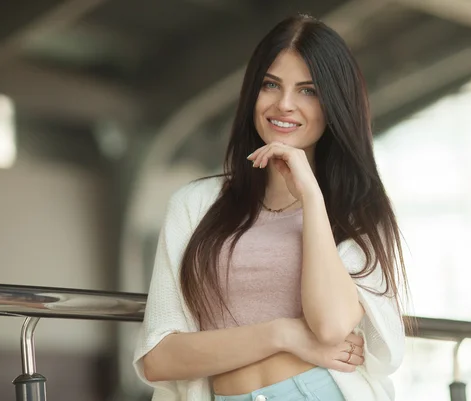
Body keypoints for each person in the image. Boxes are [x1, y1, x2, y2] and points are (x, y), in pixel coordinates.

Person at [133, 14, 409, 401]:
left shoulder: (358, 211)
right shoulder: (195, 205)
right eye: (271, 85)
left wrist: (311, 197)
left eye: (308, 91)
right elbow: (158, 359)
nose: (285, 104)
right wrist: (284, 334)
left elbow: (330, 327)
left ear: (335, 105)